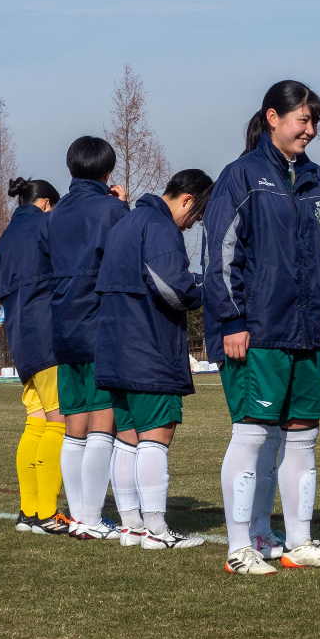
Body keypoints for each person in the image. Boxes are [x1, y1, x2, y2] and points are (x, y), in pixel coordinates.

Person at [206, 80, 320, 575]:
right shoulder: (241, 176)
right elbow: (222, 254)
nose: (310, 130)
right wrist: (232, 318)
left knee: (302, 437)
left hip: (309, 330)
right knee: (251, 436)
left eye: (314, 122)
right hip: (260, 331)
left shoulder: (317, 178)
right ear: (273, 117)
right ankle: (239, 547)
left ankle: (299, 540)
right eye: (303, 120)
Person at [95, 169, 213, 549]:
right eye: (196, 216)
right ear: (187, 200)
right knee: (156, 436)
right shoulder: (160, 228)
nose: (192, 225)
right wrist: (206, 286)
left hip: (115, 347)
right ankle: (157, 531)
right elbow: (172, 288)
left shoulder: (126, 222)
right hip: (148, 348)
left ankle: (131, 526)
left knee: (126, 438)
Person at [47, 137, 130, 540]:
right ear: (107, 171)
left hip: (62, 323)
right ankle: (92, 518)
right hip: (99, 322)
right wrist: (122, 206)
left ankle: (80, 515)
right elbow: (126, 253)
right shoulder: (112, 209)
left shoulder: (56, 213)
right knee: (102, 424)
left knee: (73, 424)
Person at [0, 176, 70, 534]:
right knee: (60, 422)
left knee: (35, 421)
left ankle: (29, 512)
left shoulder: (3, 242)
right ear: (48, 203)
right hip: (48, 334)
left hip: (20, 340)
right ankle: (49, 514)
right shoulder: (48, 224)